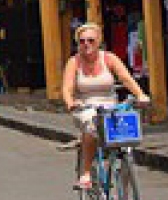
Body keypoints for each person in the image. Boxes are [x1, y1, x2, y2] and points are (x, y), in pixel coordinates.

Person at [62, 23, 150, 190]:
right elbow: (67, 88)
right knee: (90, 127)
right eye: (81, 41)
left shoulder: (109, 58)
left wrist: (140, 94)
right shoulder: (74, 62)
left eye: (90, 40)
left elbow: (126, 78)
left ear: (99, 41)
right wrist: (71, 103)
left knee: (126, 147)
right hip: (85, 107)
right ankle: (86, 173)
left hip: (111, 106)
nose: (86, 44)